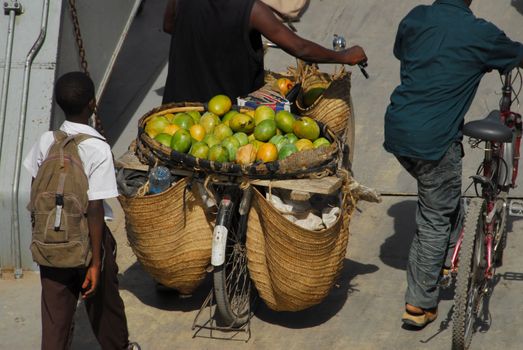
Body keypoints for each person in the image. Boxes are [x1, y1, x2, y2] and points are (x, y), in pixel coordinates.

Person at [384, 0, 523, 328]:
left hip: (398, 128)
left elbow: (401, 51)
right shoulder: (482, 34)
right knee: (434, 218)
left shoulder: (416, 17)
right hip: (434, 140)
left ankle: (448, 260)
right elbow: (516, 54)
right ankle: (419, 305)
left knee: (443, 200)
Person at [23, 72, 140, 350]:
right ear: (92, 104)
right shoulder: (97, 148)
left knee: (54, 317)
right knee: (105, 308)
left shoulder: (45, 140)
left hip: (51, 241)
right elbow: (95, 206)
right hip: (89, 241)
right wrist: (96, 263)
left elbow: (36, 190)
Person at [161, 0, 367, 103]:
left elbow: (169, 26)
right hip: (226, 119)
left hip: (176, 108)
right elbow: (300, 48)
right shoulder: (252, 10)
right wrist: (344, 56)